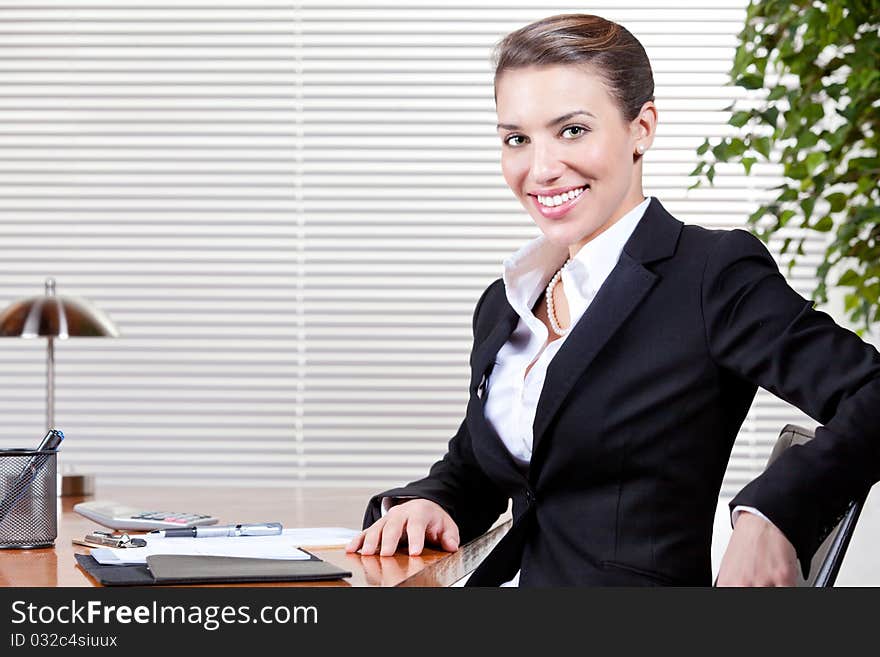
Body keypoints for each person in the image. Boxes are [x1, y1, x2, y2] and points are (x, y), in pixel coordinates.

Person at [344, 13, 880, 586]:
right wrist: (430, 505)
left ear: (641, 128)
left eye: (572, 130)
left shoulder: (709, 274)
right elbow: (479, 469)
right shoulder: (508, 303)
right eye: (517, 139)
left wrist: (771, 514)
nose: (543, 168)